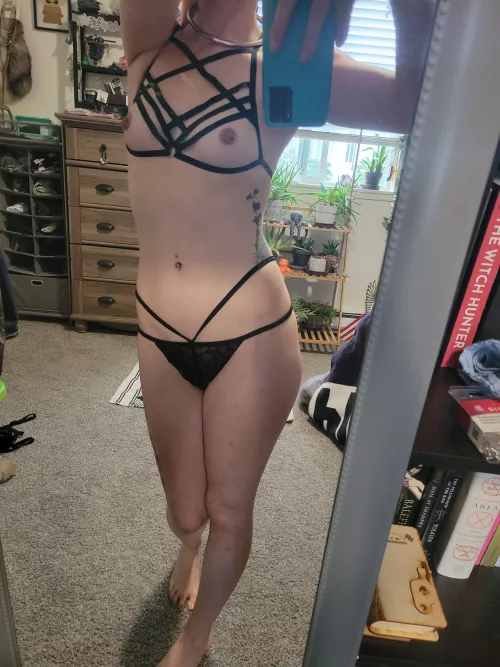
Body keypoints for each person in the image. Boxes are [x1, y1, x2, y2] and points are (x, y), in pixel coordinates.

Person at [119, 1, 435, 665]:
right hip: (156, 327)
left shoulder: (292, 61)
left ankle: (197, 638)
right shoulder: (149, 35)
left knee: (229, 508)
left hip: (250, 330)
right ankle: (187, 548)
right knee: (186, 513)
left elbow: (414, 103)